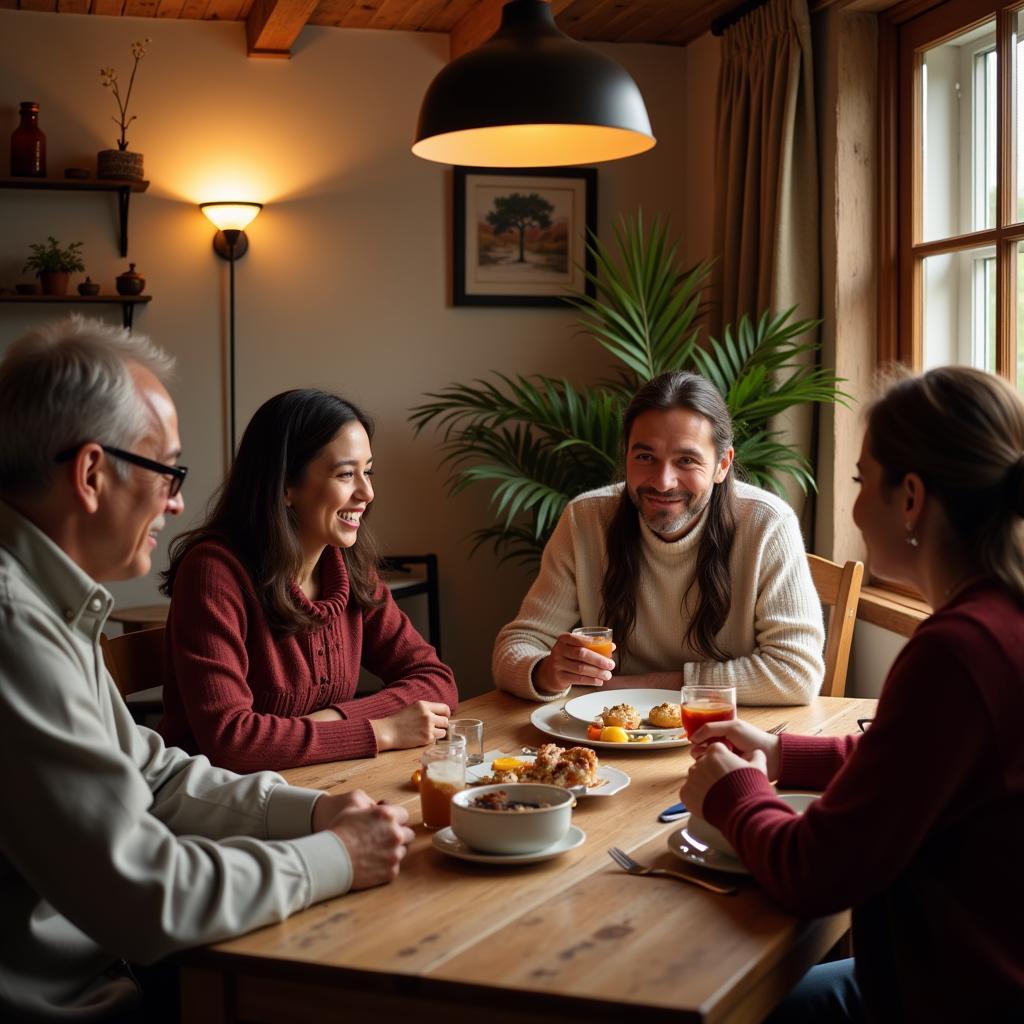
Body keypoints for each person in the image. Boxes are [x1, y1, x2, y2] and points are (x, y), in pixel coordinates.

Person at [0, 317, 414, 1022]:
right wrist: (337, 855)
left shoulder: (52, 602)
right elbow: (147, 894)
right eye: (167, 472)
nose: (178, 502)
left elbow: (154, 775)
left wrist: (316, 809)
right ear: (92, 473)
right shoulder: (16, 628)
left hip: (120, 968)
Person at [680, 366, 1024, 1021]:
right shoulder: (1003, 620)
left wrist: (731, 792)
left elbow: (816, 874)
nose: (855, 505)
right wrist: (784, 757)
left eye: (863, 480)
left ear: (912, 498)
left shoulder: (957, 651)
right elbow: (927, 769)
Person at [157, 388, 459, 772]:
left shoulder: (347, 568)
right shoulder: (214, 573)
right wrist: (380, 731)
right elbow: (231, 741)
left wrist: (329, 721)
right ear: (284, 486)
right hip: (214, 800)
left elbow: (437, 681)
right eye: (346, 474)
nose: (367, 492)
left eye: (368, 471)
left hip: (319, 780)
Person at [492, 370, 824, 703]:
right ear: (626, 456)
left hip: (728, 737)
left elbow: (797, 673)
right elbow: (514, 648)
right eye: (646, 457)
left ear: (723, 464)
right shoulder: (586, 519)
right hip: (612, 738)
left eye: (686, 460)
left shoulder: (768, 524)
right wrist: (548, 671)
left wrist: (644, 686)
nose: (663, 482)